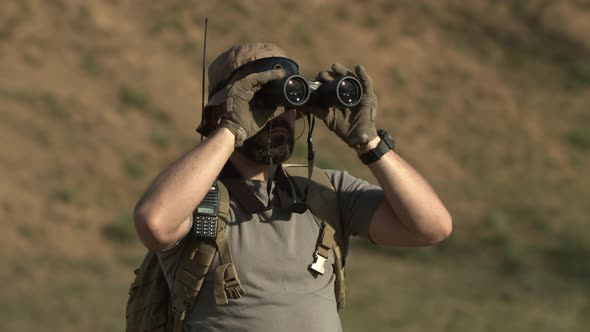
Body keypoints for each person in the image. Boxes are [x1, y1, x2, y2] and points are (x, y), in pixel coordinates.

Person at [133, 42, 452, 332]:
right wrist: (233, 128)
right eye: (262, 105)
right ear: (219, 114)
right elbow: (154, 223)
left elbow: (431, 228)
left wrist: (369, 142)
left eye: (286, 105)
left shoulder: (327, 189)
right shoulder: (195, 197)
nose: (278, 118)